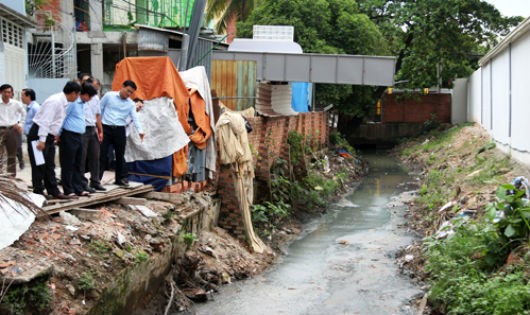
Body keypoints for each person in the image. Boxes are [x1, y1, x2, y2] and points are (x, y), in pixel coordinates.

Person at [28, 81, 81, 199]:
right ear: (73, 93)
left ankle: (53, 190)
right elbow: (45, 121)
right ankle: (38, 192)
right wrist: (42, 140)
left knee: (50, 164)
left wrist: (55, 134)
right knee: (39, 164)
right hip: (39, 134)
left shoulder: (63, 102)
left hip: (49, 135)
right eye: (77, 95)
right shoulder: (55, 101)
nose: (77, 98)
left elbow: (55, 121)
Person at [99, 80, 145, 186]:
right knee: (102, 154)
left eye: (131, 93)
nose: (128, 94)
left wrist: (140, 131)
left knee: (120, 155)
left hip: (120, 130)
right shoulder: (109, 96)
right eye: (128, 91)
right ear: (122, 87)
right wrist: (99, 127)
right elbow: (100, 109)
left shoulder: (130, 104)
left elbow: (135, 117)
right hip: (106, 127)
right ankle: (97, 179)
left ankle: (119, 179)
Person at [59, 83, 97, 197]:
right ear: (84, 94)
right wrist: (58, 134)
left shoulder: (82, 104)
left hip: (80, 135)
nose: (89, 99)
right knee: (68, 163)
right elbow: (62, 118)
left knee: (78, 163)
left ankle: (78, 188)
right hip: (69, 135)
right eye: (89, 97)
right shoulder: (72, 103)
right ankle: (68, 189)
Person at [80, 78, 105, 192]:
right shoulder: (78, 98)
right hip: (82, 128)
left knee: (95, 155)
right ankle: (82, 182)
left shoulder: (95, 98)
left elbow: (97, 115)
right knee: (82, 157)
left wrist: (100, 130)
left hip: (92, 128)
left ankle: (95, 181)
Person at [0, 84, 26, 176]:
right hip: (0, 130)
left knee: (12, 154)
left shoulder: (16, 104)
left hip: (12, 130)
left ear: (11, 93)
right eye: (5, 92)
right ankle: (1, 177)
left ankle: (11, 177)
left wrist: (20, 124)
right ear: (1, 92)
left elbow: (24, 114)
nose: (7, 94)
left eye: (9, 92)